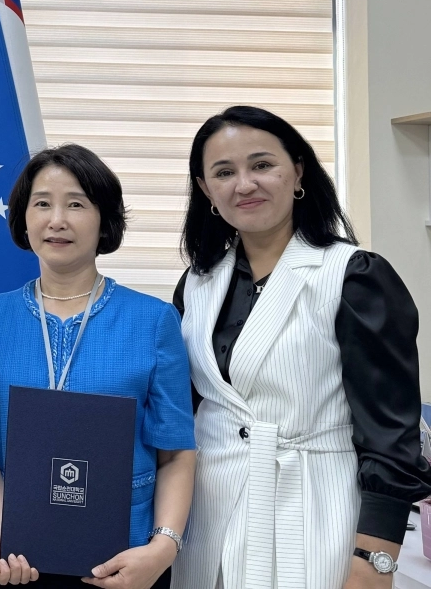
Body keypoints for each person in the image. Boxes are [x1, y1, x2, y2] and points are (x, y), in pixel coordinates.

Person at [172, 105, 431, 589]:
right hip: (210, 514)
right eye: (224, 172)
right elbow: (180, 411)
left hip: (317, 509)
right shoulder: (197, 284)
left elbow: (392, 436)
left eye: (262, 164)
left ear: (298, 171)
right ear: (207, 190)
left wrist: (375, 561)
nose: (244, 184)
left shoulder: (354, 276)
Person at [0, 144, 195, 589]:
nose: (57, 220)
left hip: (128, 563)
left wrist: (163, 547)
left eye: (76, 204)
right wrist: (3, 518)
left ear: (104, 219)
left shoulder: (153, 320)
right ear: (22, 218)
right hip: (16, 558)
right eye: (42, 204)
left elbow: (176, 451)